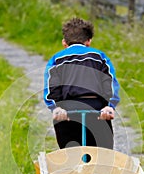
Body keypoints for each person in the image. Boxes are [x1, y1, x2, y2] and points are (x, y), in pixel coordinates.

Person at [43, 17, 120, 150]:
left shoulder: (57, 59)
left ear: (64, 43)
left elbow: (51, 88)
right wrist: (110, 106)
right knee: (102, 154)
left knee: (70, 154)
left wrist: (55, 108)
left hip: (66, 111)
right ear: (88, 41)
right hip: (96, 109)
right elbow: (110, 82)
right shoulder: (99, 57)